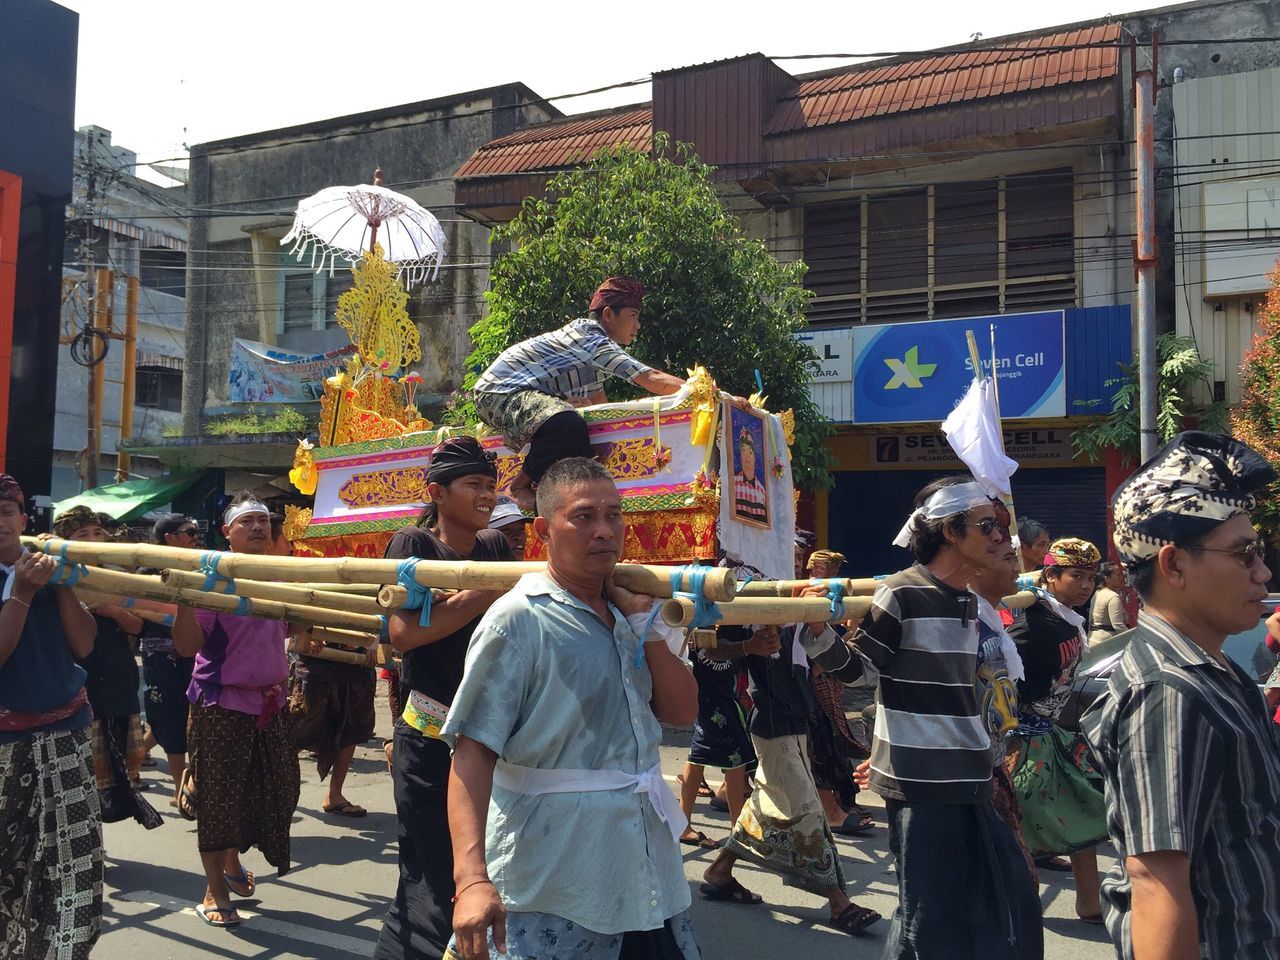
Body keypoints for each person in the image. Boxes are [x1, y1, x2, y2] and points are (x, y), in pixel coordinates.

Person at [443, 457, 700, 960]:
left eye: (614, 515)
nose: (605, 530)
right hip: (556, 872)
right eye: (583, 517)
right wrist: (471, 879)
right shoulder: (519, 619)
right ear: (543, 530)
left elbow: (681, 711)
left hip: (646, 867)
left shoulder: (633, 608)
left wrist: (642, 624)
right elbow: (472, 754)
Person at [1082, 432, 1280, 960]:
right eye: (1245, 555)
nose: (1263, 572)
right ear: (1172, 565)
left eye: (1259, 553)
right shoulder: (1167, 690)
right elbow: (1154, 886)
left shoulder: (1215, 670)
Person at [854, 476, 1042, 960]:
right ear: (949, 531)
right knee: (927, 919)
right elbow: (859, 668)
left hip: (972, 773)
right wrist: (814, 633)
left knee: (992, 905)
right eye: (988, 526)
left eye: (1002, 526)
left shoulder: (966, 600)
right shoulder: (901, 593)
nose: (1003, 537)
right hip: (921, 781)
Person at [375, 436, 512, 960]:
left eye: (490, 485)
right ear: (437, 492)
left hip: (487, 732)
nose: (486, 495)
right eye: (474, 485)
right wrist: (483, 594)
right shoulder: (413, 544)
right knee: (431, 868)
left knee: (485, 862)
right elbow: (403, 634)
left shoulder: (497, 547)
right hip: (430, 730)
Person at [701, 539, 881, 936]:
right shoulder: (744, 592)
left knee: (762, 806)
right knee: (808, 811)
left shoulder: (795, 593)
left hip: (799, 715)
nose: (797, 557)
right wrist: (749, 645)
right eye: (790, 551)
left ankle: (719, 870)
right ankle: (839, 903)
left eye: (799, 552)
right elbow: (706, 653)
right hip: (772, 718)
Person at [173, 494, 301, 929]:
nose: (258, 528)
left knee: (279, 790)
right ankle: (215, 888)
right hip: (222, 704)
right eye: (247, 522)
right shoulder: (214, 579)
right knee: (219, 802)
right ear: (227, 532)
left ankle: (230, 861)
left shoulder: (280, 575)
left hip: (272, 703)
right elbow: (188, 647)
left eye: (263, 521)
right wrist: (185, 598)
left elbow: (296, 627)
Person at [471, 276, 687, 511]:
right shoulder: (591, 339)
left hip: (518, 396)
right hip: (498, 392)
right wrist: (706, 391)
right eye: (633, 315)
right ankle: (520, 487)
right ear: (608, 314)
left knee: (583, 438)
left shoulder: (591, 354)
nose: (638, 326)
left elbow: (602, 412)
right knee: (567, 421)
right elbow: (649, 378)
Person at [0, 475, 102, 960]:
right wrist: (20, 592)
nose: (0, 521)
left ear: (24, 519)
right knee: (6, 868)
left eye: (6, 511)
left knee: (73, 867)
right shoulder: (22, 578)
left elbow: (83, 643)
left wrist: (62, 585)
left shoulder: (45, 567)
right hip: (5, 743)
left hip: (65, 730)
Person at [1006, 537, 1108, 922]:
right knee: (1019, 828)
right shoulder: (1033, 625)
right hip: (1020, 740)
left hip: (1050, 735)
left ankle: (1090, 902)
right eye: (1076, 576)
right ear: (1050, 575)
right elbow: (1000, 680)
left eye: (1091, 578)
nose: (1085, 585)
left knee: (1088, 808)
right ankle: (1019, 909)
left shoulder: (1064, 618)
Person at [53, 507, 149, 799]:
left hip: (118, 678)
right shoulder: (56, 579)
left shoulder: (116, 577)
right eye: (83, 535)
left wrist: (111, 610)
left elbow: (137, 626)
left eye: (98, 533)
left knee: (117, 781)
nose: (93, 540)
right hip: (77, 683)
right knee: (78, 779)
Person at [970, 538, 1035, 878]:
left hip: (992, 762)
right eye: (1010, 559)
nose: (1017, 569)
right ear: (976, 568)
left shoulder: (991, 618)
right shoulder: (962, 622)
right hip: (966, 774)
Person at [677, 624, 766, 849]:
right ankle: (738, 831)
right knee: (734, 762)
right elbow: (717, 657)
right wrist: (748, 646)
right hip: (712, 702)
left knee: (698, 758)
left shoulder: (730, 624)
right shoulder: (704, 626)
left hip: (718, 700)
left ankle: (683, 823)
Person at [803, 548, 873, 834]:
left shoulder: (834, 594)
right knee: (819, 741)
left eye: (832, 568)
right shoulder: (801, 593)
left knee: (832, 737)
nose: (828, 572)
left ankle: (840, 800)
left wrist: (851, 627)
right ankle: (830, 806)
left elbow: (845, 637)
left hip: (831, 673)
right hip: (810, 675)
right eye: (823, 567)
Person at [140, 513, 199, 808]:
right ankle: (179, 790)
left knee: (173, 718)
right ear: (170, 538)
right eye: (189, 532)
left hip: (190, 653)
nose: (195, 536)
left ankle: (130, 763)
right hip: (161, 656)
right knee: (172, 721)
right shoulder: (149, 569)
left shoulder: (197, 566)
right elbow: (140, 607)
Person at [288, 631, 376, 818]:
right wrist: (309, 631)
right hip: (316, 658)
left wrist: (373, 641)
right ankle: (269, 791)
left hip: (356, 661)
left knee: (351, 726)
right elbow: (302, 609)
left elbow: (381, 610)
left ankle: (335, 794)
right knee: (295, 729)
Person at [731, 428, 768, 524]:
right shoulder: (732, 484)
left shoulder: (762, 490)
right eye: (743, 451)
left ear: (755, 458)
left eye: (750, 452)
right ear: (740, 456)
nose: (747, 457)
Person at [1089, 562, 1131, 644]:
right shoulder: (1112, 596)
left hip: (1093, 638)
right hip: (1107, 642)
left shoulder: (1098, 592)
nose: (1122, 577)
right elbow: (1118, 625)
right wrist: (1132, 639)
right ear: (1107, 579)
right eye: (1118, 575)